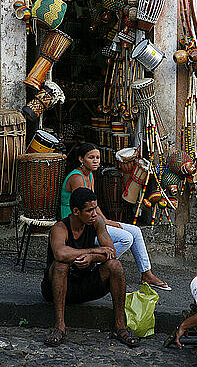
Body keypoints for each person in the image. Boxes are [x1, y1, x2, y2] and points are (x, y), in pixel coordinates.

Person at [60, 143, 170, 291]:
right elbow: (85, 207)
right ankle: (97, 264)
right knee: (126, 238)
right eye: (91, 157)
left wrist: (106, 221)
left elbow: (93, 206)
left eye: (97, 157)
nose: (96, 161)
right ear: (81, 159)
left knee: (136, 231)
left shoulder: (90, 175)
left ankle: (146, 273)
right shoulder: (77, 178)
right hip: (78, 225)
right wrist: (105, 222)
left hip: (91, 219)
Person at [41, 187, 138, 348]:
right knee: (60, 266)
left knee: (115, 265)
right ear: (76, 211)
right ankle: (59, 327)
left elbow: (111, 252)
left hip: (85, 285)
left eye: (95, 209)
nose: (95, 214)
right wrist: (93, 250)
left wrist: (92, 258)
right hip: (56, 288)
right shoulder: (60, 228)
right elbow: (60, 253)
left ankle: (120, 327)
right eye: (89, 210)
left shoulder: (97, 222)